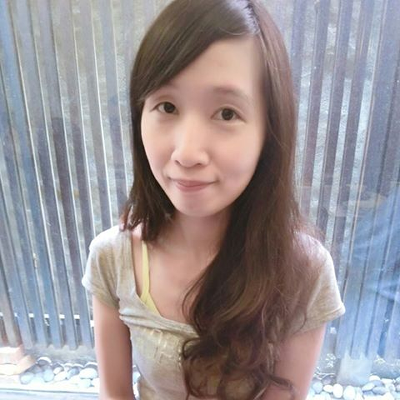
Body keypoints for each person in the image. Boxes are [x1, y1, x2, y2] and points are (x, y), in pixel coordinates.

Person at [82, 0, 345, 399]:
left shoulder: (304, 272)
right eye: (167, 106)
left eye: (226, 113)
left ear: (269, 132)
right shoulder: (112, 258)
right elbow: (114, 393)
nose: (187, 153)